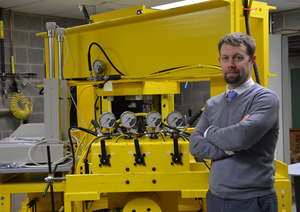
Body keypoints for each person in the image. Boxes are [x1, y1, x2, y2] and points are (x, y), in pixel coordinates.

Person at [189, 32, 279, 212]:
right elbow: (195, 145)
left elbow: (239, 138)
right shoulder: (212, 104)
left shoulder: (265, 98)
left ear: (251, 60)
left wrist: (209, 133)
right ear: (220, 60)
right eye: (225, 58)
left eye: (238, 58)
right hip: (215, 196)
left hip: (252, 199)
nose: (231, 64)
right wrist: (231, 145)